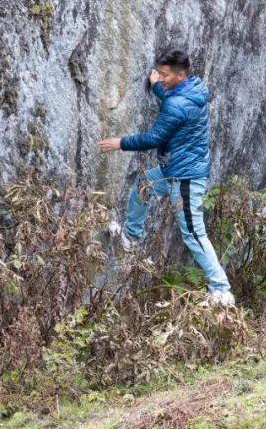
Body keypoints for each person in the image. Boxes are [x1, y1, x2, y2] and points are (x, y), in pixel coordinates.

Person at [98, 49, 235, 307]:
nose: (160, 78)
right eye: (159, 73)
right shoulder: (193, 90)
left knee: (193, 234)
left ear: (181, 75)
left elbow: (154, 138)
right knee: (144, 185)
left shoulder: (178, 103)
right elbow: (174, 102)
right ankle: (131, 236)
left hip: (186, 177)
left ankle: (221, 290)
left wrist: (120, 143)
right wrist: (158, 88)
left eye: (165, 75)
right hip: (175, 170)